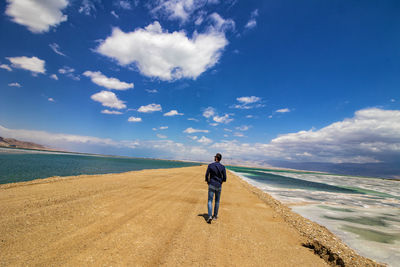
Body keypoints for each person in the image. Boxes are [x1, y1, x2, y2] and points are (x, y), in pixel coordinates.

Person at [205, 153, 227, 223]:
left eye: (215, 157)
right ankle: (215, 216)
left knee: (210, 201)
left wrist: (208, 182)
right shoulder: (223, 167)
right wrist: (221, 182)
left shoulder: (210, 165)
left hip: (211, 184)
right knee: (217, 201)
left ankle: (210, 216)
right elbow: (225, 178)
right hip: (219, 186)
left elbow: (206, 175)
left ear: (216, 158)